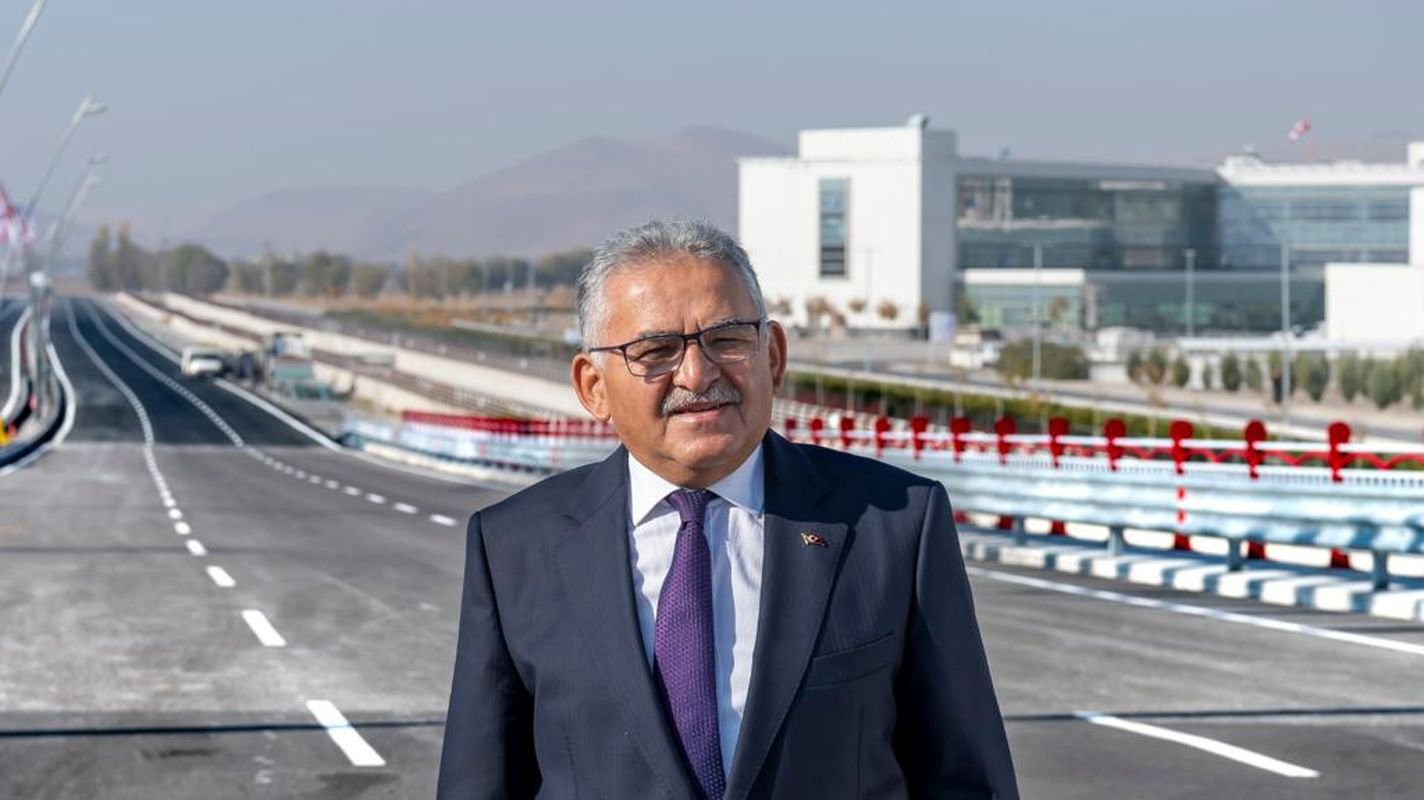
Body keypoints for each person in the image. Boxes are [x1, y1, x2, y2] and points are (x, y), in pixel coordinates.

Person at [438, 219, 1018, 799]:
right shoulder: (515, 546)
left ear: (774, 355)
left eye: (727, 339)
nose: (697, 374)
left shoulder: (893, 526)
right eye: (655, 351)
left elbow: (966, 781)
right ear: (593, 387)